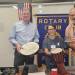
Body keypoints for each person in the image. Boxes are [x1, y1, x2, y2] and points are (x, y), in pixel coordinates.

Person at [9, 8, 39, 75]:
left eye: (27, 14)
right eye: (24, 14)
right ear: (21, 15)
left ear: (30, 15)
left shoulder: (34, 26)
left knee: (29, 70)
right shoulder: (15, 25)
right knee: (17, 70)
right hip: (19, 51)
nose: (26, 15)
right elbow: (11, 38)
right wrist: (17, 44)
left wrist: (34, 46)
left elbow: (36, 37)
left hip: (30, 52)